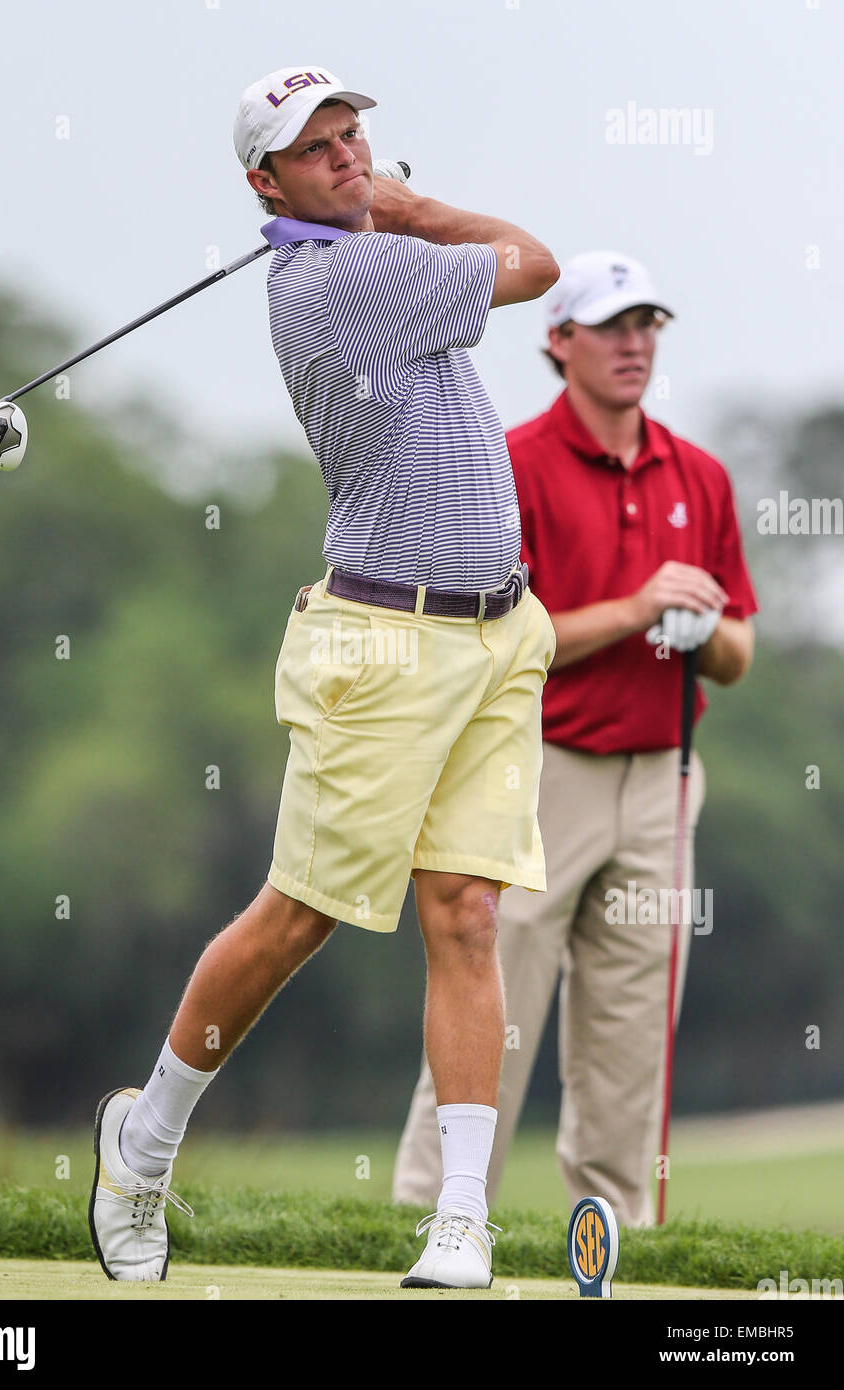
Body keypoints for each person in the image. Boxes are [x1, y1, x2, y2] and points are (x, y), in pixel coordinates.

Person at [88, 64, 559, 1289]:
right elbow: (537, 263)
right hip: (381, 644)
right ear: (268, 182)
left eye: (356, 138)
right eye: (320, 149)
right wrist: (411, 206)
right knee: (297, 916)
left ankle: (460, 1219)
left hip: (501, 632)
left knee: (465, 912)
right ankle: (143, 1143)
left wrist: (386, 207)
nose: (350, 158)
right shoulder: (347, 277)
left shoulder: (365, 263)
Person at [391, 250, 758, 1228]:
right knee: (494, 1006)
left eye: (648, 325)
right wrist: (636, 608)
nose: (636, 343)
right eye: (613, 325)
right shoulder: (512, 462)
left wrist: (702, 625)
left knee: (633, 1029)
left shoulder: (701, 476)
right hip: (537, 771)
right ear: (560, 341)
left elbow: (739, 654)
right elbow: (498, 637)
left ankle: (615, 1240)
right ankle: (434, 1213)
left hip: (663, 776)